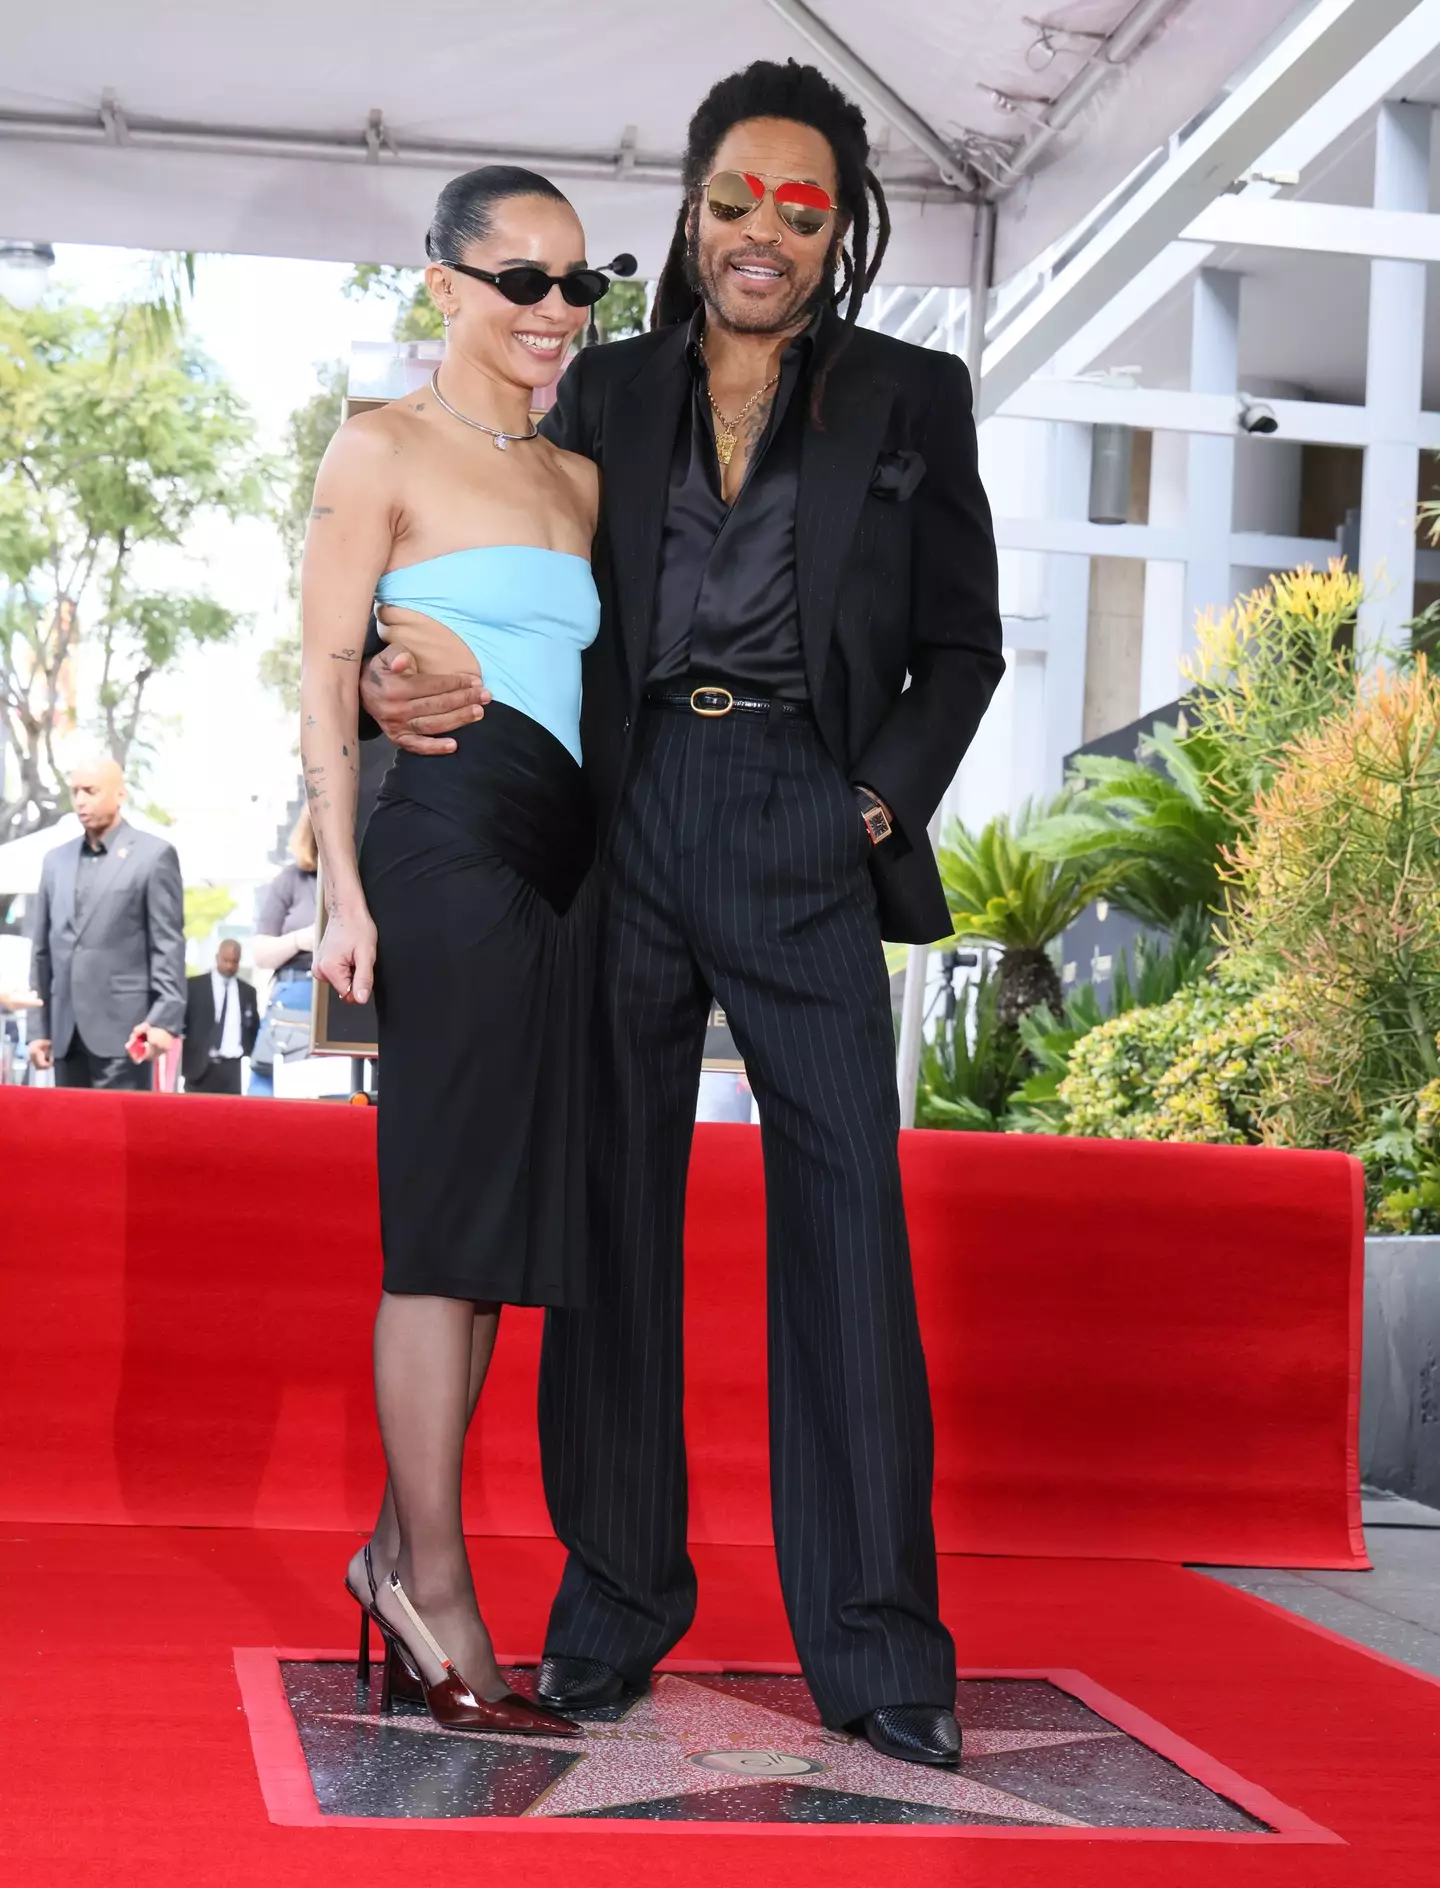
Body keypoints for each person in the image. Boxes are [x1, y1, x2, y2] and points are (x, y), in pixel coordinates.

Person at [362, 61, 1004, 1770]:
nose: (763, 232)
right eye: (736, 199)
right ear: (695, 212)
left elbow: (966, 643)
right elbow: (500, 560)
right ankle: (617, 1603)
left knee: (850, 1229)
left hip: (806, 818)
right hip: (620, 823)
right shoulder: (608, 391)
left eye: (802, 206)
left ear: (842, 225)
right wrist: (390, 671)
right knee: (614, 1226)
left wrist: (873, 799)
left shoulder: (915, 394)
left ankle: (877, 1644)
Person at [306, 165, 607, 1740]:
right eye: (521, 280)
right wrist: (340, 892)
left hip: (555, 875)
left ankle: (392, 1555)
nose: (553, 312)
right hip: (437, 851)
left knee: (486, 1249)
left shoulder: (577, 483)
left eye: (578, 286)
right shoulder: (381, 446)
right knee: (439, 1236)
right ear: (443, 286)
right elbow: (318, 676)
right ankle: (435, 1589)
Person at [27, 757, 185, 1091]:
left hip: (127, 1032)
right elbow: (42, 951)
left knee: (120, 1141)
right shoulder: (55, 861)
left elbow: (167, 946)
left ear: (120, 794)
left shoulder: (153, 855)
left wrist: (163, 1021)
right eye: (75, 792)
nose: (81, 800)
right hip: (65, 1035)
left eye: (91, 790)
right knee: (69, 1138)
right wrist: (38, 1029)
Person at [247, 812, 320, 1096]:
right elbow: (261, 953)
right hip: (295, 1000)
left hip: (350, 1000)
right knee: (271, 1099)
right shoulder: (291, 879)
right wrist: (301, 940)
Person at [182, 938, 259, 1095]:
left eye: (234, 962)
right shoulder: (194, 986)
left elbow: (253, 1027)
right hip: (200, 1067)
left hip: (233, 1068)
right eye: (226, 960)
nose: (230, 966)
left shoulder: (247, 992)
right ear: (217, 957)